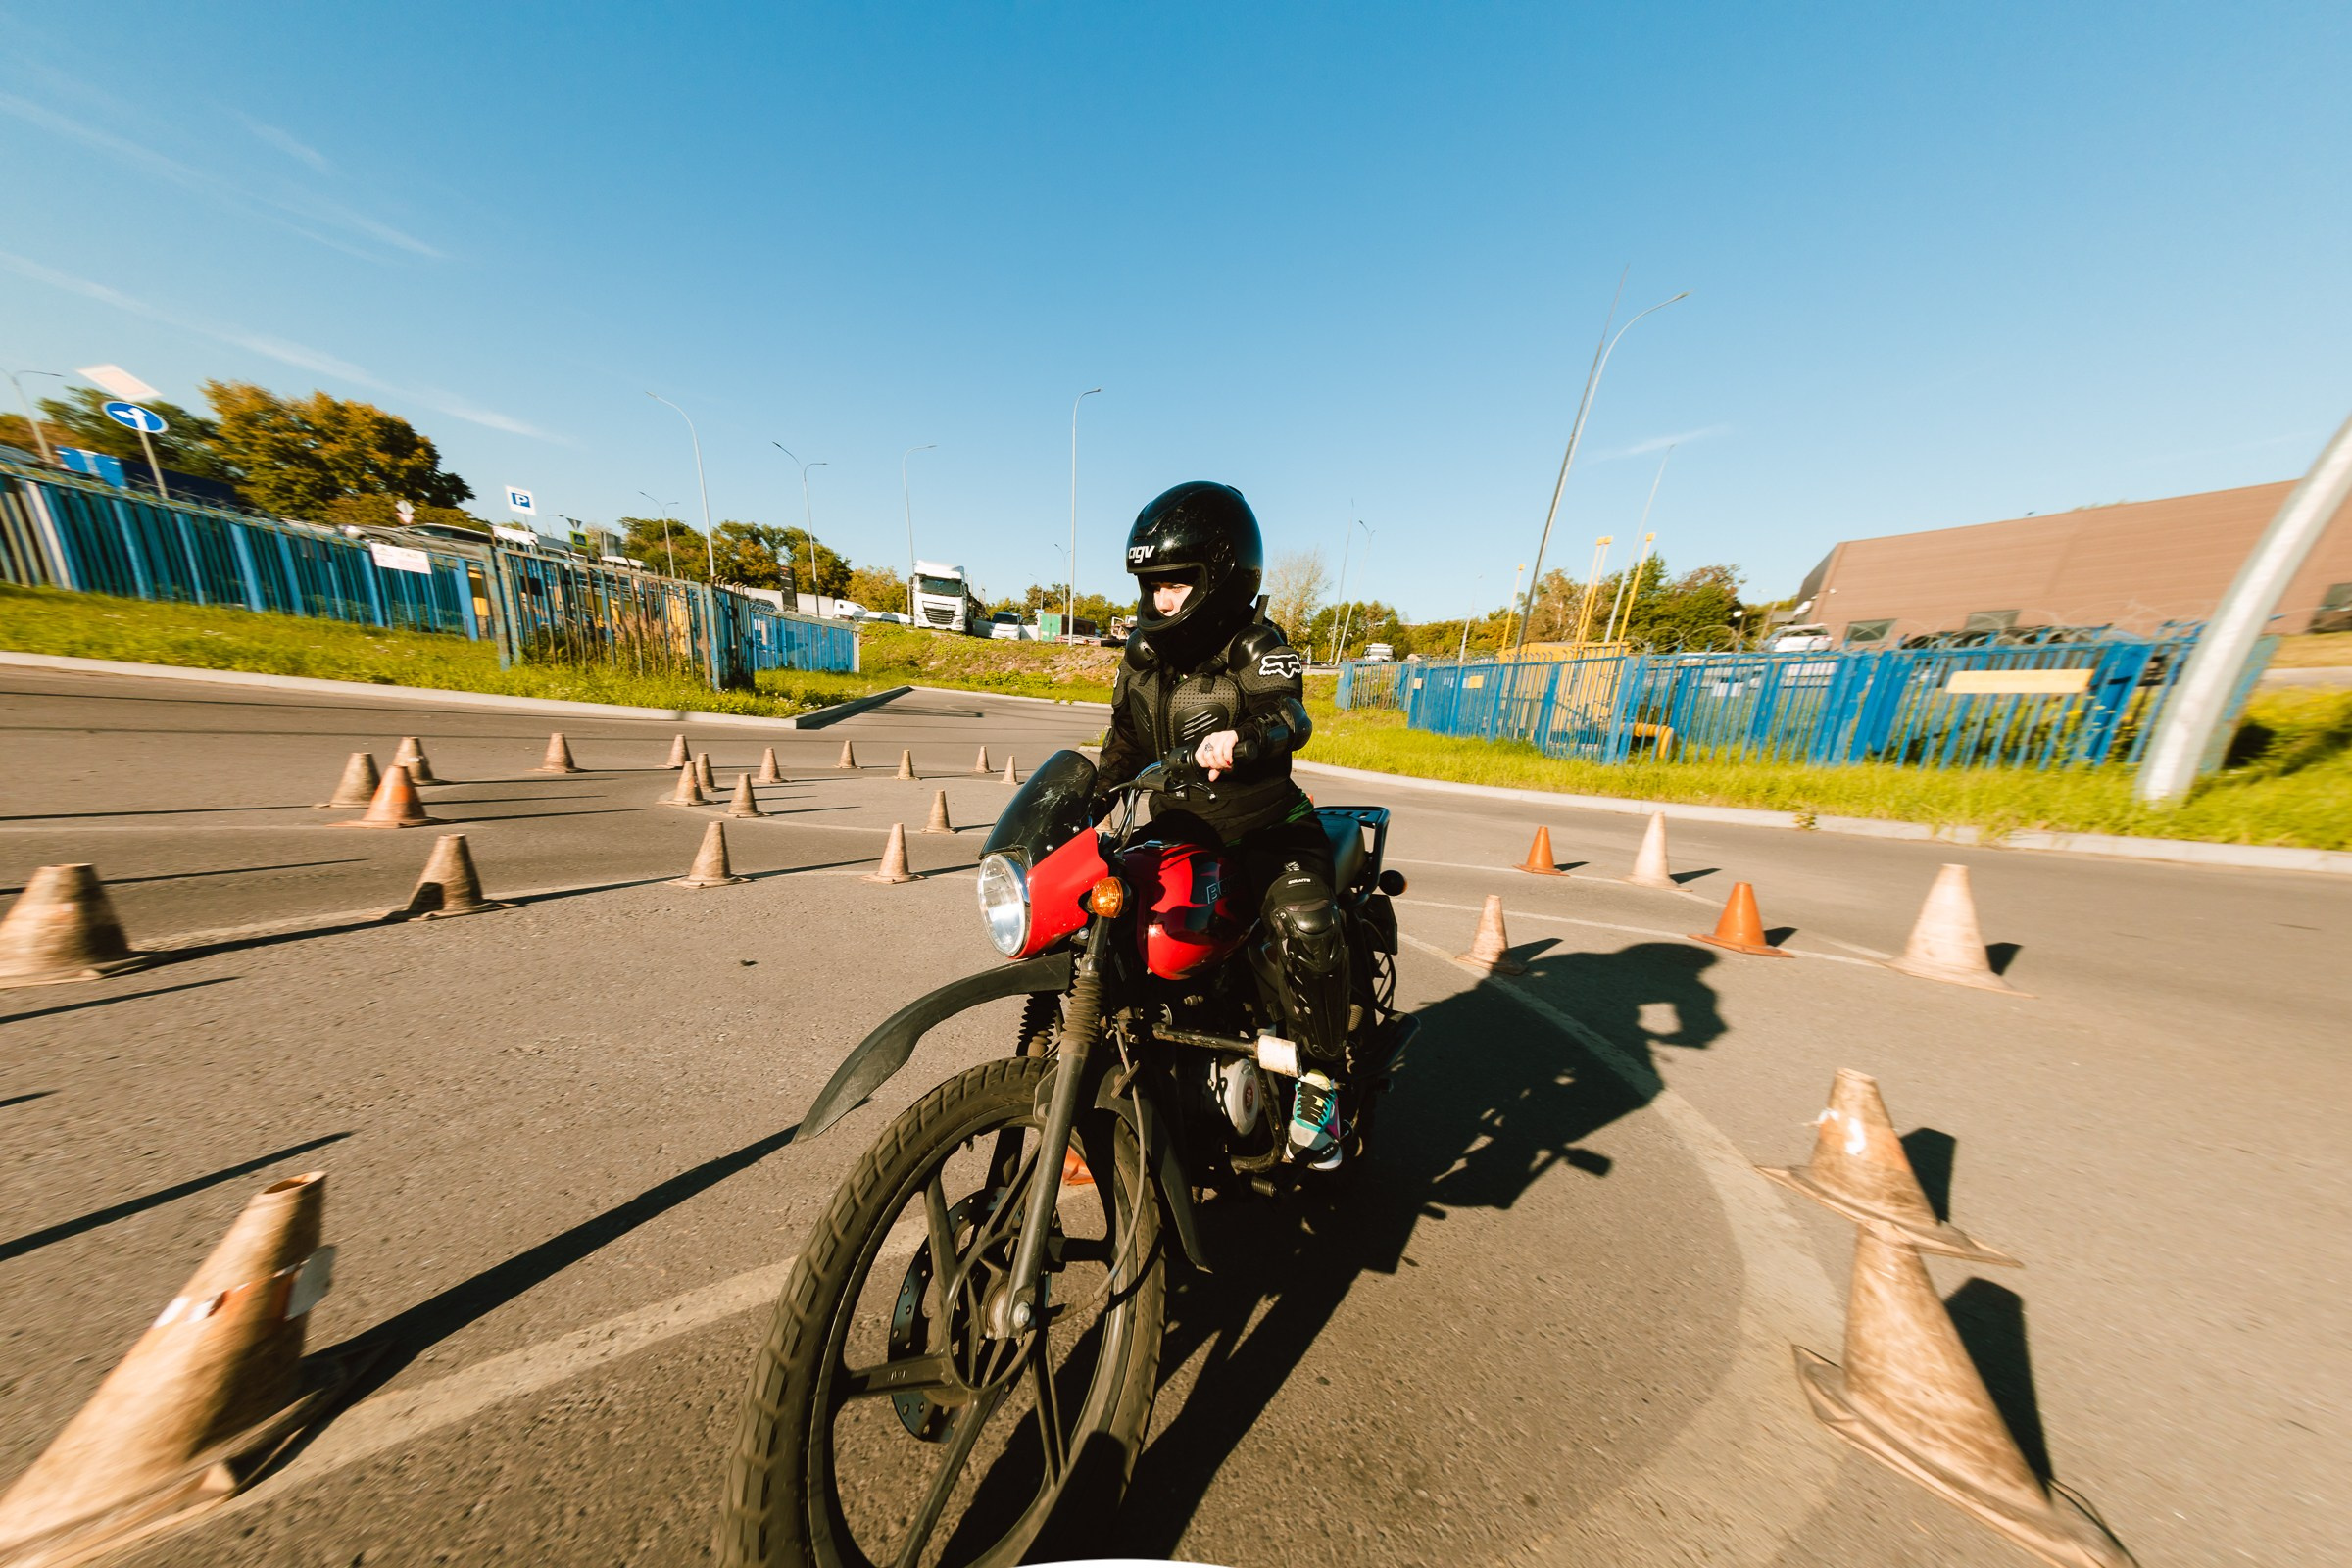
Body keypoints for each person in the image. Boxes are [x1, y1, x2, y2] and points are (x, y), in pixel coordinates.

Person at [1093, 480, 1353, 1167]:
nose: (1161, 599)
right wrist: (1085, 801)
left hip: (1267, 830)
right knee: (1101, 923)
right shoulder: (1142, 656)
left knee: (1304, 922)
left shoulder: (1257, 644)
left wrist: (1245, 739)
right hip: (1178, 830)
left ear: (1222, 578)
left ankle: (1321, 1094)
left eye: (1176, 582)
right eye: (1152, 584)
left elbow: (1290, 716)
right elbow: (1122, 742)